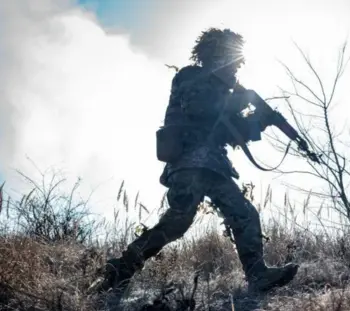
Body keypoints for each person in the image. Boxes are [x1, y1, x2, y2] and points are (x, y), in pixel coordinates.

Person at [95, 27, 299, 297]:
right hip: (190, 161)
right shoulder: (191, 76)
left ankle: (258, 275)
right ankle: (120, 269)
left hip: (213, 165)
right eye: (231, 57)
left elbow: (233, 131)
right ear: (214, 53)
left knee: (243, 213)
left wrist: (261, 121)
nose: (236, 65)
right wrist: (240, 100)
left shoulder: (225, 88)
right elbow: (201, 108)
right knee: (177, 223)